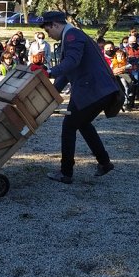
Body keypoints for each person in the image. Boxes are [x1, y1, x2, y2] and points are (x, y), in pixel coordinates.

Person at [40, 11, 115, 184]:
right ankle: (104, 162)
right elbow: (67, 73)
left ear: (56, 25)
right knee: (82, 124)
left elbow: (71, 62)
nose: (48, 35)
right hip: (96, 90)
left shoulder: (72, 35)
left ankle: (66, 173)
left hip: (94, 90)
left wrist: (49, 72)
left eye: (48, 30)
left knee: (69, 126)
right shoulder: (69, 37)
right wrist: (50, 93)